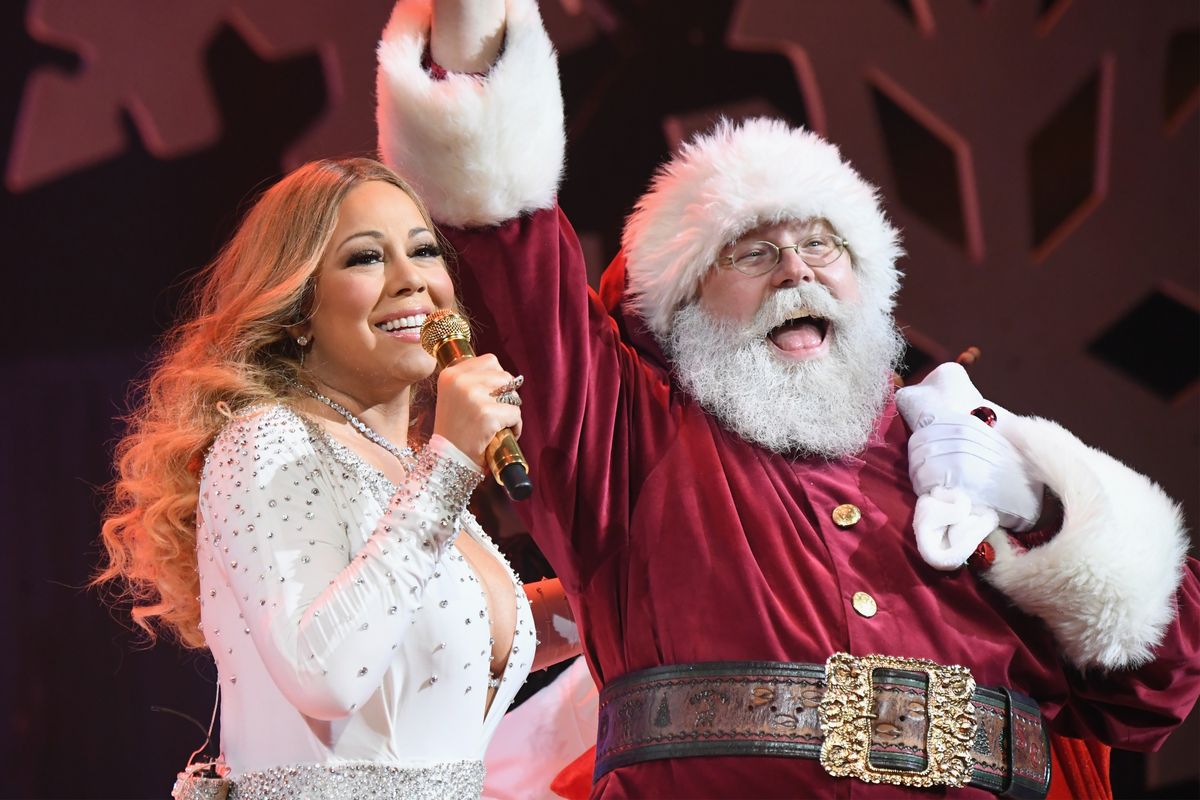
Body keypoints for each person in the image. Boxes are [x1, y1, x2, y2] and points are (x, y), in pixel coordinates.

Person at [373, 1, 1200, 798]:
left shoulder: (961, 451)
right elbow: (505, 247)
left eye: (821, 245)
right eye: (753, 253)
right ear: (683, 308)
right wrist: (473, 50)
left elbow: (1159, 689)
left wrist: (1040, 515)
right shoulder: (627, 441)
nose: (797, 271)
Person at [97, 156, 578, 799]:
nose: (412, 281)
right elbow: (325, 673)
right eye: (365, 258)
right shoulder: (269, 441)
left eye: (424, 250)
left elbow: (470, 638)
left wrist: (622, 596)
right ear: (298, 305)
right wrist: (450, 465)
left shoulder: (409, 465)